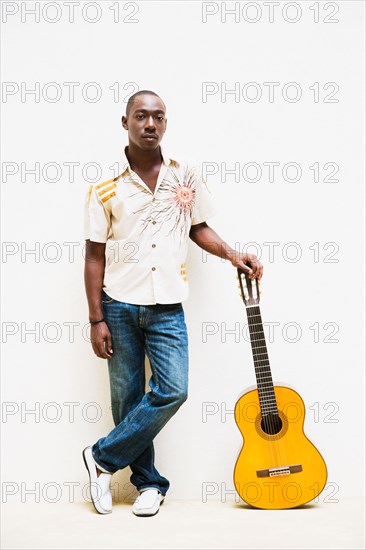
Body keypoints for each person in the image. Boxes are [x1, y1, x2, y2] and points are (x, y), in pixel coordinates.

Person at [82, 90, 263, 517]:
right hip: (119, 304)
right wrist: (96, 319)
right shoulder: (105, 187)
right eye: (141, 116)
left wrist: (233, 254)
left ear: (166, 124)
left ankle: (100, 459)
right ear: (124, 122)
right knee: (126, 398)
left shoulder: (185, 175)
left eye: (158, 117)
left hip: (167, 306)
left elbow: (198, 227)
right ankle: (148, 484)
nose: (150, 124)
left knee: (172, 390)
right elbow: (93, 256)